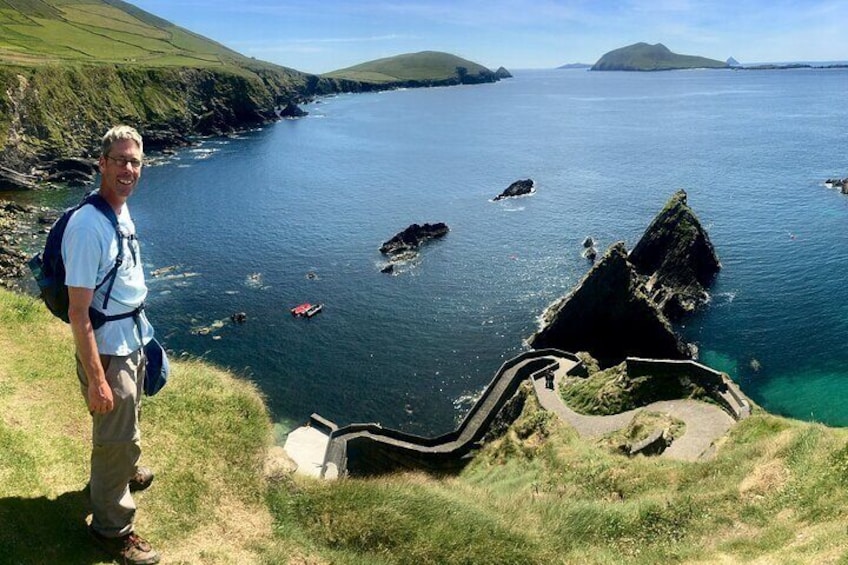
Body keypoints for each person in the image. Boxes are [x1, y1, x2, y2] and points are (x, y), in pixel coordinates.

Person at [63, 125, 160, 565]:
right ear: (101, 163)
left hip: (132, 337)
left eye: (135, 161)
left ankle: (120, 474)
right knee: (113, 435)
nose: (128, 169)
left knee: (129, 420)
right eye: (119, 160)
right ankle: (111, 528)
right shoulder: (88, 225)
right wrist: (97, 380)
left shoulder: (118, 209)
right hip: (108, 348)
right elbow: (78, 313)